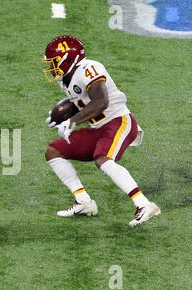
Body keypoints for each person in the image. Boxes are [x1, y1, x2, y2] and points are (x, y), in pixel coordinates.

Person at [43, 35, 161, 227]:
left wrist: (71, 121)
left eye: (55, 62)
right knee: (53, 151)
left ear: (69, 58)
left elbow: (101, 101)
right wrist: (64, 114)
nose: (51, 67)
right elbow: (83, 100)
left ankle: (144, 204)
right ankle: (83, 201)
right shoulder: (65, 78)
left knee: (103, 158)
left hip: (118, 121)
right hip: (98, 128)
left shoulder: (89, 68)